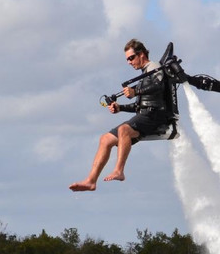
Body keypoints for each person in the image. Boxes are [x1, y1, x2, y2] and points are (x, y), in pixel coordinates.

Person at [69, 39, 173, 192]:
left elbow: (159, 86)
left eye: (131, 58)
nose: (129, 62)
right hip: (145, 116)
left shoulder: (154, 66)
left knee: (124, 129)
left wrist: (136, 91)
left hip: (156, 117)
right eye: (127, 60)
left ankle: (119, 170)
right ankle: (91, 181)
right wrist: (121, 108)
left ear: (141, 54)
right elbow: (141, 105)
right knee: (105, 139)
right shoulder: (144, 75)